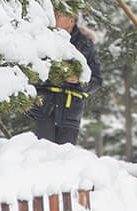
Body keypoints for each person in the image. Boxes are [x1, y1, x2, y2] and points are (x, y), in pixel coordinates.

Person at [31, 8, 102, 145]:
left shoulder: (86, 45)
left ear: (71, 20)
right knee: (42, 153)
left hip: (71, 112)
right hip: (44, 108)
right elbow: (31, 73)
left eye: (59, 15)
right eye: (55, 14)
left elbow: (97, 81)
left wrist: (79, 81)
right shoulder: (43, 39)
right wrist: (51, 76)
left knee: (66, 157)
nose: (55, 18)